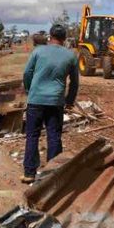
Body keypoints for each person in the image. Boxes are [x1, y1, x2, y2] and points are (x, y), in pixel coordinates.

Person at [21, 23, 79, 183]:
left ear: (50, 36)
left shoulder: (38, 51)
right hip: (56, 102)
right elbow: (74, 83)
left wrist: (29, 90)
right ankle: (52, 174)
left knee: (32, 135)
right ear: (64, 38)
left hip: (35, 100)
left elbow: (27, 73)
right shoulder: (70, 56)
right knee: (54, 136)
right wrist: (69, 101)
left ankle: (29, 173)